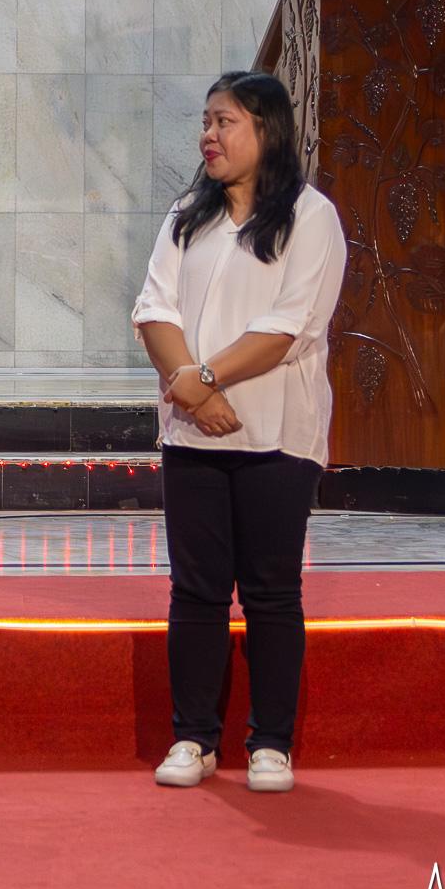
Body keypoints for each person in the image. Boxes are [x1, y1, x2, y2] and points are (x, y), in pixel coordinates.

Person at [130, 70, 346, 795]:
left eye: (224, 122)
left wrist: (203, 380)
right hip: (193, 434)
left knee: (271, 592)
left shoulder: (311, 217)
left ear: (267, 129)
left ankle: (270, 744)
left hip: (277, 435)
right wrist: (191, 390)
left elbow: (290, 326)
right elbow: (153, 308)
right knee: (195, 591)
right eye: (206, 122)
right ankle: (193, 737)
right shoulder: (187, 215)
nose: (209, 136)